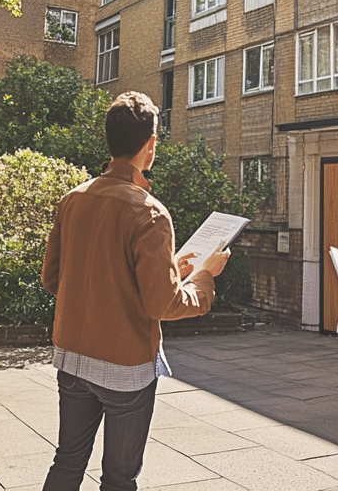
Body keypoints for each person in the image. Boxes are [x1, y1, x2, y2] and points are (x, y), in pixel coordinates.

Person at [41, 91, 229, 491]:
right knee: (119, 478)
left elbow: (54, 279)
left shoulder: (72, 199)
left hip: (71, 356)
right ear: (151, 143)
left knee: (67, 462)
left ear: (109, 140)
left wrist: (169, 270)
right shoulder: (149, 212)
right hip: (124, 369)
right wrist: (204, 277)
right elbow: (162, 303)